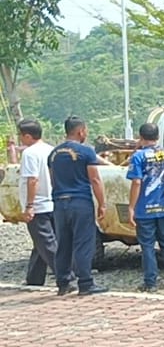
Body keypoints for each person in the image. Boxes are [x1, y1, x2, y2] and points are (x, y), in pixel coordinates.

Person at [49, 116, 109, 296]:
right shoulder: (86, 151)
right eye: (86, 130)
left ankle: (63, 283)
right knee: (83, 242)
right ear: (80, 131)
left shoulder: (53, 154)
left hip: (60, 202)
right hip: (80, 201)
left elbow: (53, 181)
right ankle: (85, 283)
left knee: (63, 243)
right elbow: (95, 179)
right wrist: (102, 203)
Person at [127, 122, 164, 292]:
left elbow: (137, 182)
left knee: (147, 246)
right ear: (158, 136)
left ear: (140, 137)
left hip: (145, 209)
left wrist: (131, 207)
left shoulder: (138, 157)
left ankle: (150, 282)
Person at [17, 119, 63, 287]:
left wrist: (29, 205)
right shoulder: (52, 150)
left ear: (28, 136)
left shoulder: (30, 153)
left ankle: (66, 277)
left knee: (47, 244)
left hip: (38, 205)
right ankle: (34, 279)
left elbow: (32, 180)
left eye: (21, 136)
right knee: (40, 243)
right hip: (52, 202)